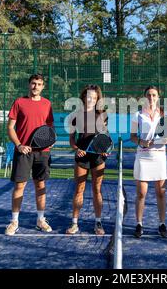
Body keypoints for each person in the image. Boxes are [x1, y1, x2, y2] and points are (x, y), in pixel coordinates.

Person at [5, 73, 54, 236]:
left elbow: (50, 127)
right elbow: (10, 127)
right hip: (23, 152)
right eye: (33, 83)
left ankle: (40, 220)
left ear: (43, 86)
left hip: (43, 153)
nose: (36, 87)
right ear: (29, 85)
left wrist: (51, 140)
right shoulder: (19, 102)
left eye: (39, 84)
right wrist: (19, 145)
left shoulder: (47, 104)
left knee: (40, 186)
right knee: (19, 186)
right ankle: (14, 222)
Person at [66, 85, 109, 235]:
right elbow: (71, 139)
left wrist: (105, 150)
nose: (91, 99)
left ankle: (98, 223)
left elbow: (105, 136)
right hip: (82, 156)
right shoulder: (75, 115)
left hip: (98, 157)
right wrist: (77, 149)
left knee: (97, 190)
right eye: (88, 96)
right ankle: (74, 223)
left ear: (98, 99)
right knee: (79, 189)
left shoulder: (103, 114)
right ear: (83, 97)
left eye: (94, 97)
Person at [130, 86, 167, 238]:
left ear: (158, 97)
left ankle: (162, 223)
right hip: (143, 157)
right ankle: (139, 224)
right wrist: (141, 141)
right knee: (141, 193)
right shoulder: (137, 115)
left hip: (159, 156)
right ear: (144, 97)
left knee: (161, 192)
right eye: (148, 95)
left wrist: (159, 140)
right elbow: (132, 136)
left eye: (154, 95)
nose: (151, 98)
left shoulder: (165, 114)